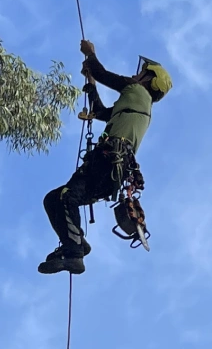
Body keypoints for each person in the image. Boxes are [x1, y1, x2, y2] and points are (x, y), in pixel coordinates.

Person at [38, 39, 172, 275]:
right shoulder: (135, 105)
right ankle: (76, 241)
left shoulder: (137, 91)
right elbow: (99, 112)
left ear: (149, 80)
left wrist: (90, 55)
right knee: (54, 199)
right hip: (111, 171)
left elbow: (103, 73)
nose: (135, 75)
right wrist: (91, 83)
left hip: (107, 160)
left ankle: (74, 253)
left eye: (141, 73)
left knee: (66, 197)